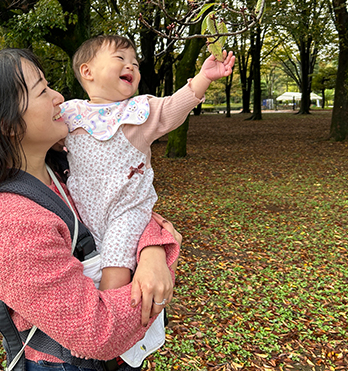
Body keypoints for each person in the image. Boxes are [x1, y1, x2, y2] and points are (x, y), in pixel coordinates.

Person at [0, 48, 182, 371]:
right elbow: (98, 333)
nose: (58, 97)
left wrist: (152, 251)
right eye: (42, 90)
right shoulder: (10, 221)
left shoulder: (63, 170)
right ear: (6, 124)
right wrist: (153, 281)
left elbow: (124, 206)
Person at [61, 35, 234, 293]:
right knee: (81, 268)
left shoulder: (138, 112)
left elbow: (172, 108)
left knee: (115, 266)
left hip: (126, 210)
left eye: (135, 63)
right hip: (82, 211)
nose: (131, 66)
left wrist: (204, 78)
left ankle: (111, 311)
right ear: (87, 71)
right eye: (120, 59)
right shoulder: (69, 114)